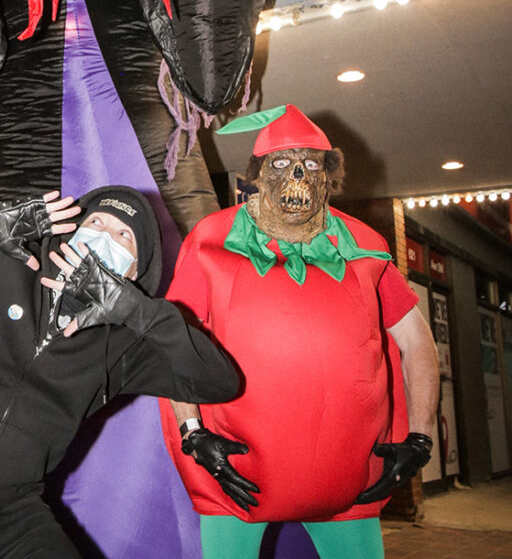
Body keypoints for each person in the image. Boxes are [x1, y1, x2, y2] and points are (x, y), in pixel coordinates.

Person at [0, 185, 240, 557]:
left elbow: (219, 382)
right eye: (95, 222)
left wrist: (138, 312)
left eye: (123, 235)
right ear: (72, 233)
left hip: (9, 522)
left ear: (134, 272)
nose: (102, 237)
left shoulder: (123, 346)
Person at [163, 105, 440, 558]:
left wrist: (421, 435)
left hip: (348, 468)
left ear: (329, 173)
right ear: (256, 173)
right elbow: (174, 342)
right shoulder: (213, 239)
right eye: (280, 162)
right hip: (238, 468)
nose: (297, 173)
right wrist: (193, 431)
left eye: (311, 163)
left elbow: (416, 340)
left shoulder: (365, 245)